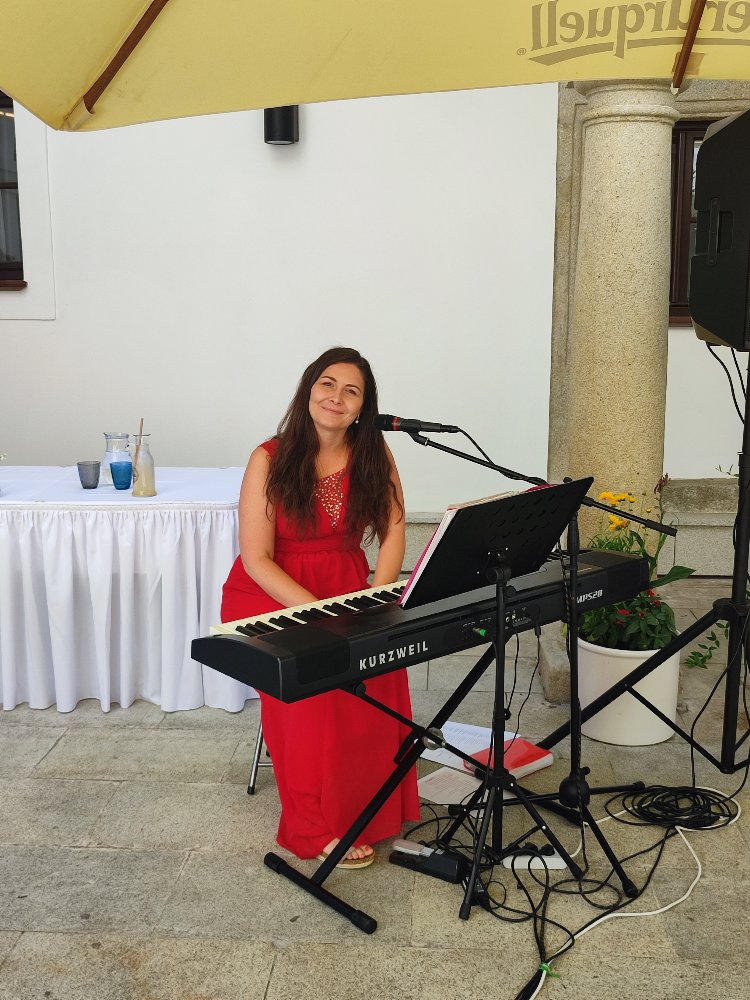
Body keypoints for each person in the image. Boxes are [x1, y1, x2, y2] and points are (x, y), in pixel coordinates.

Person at [221, 346, 420, 868]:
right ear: (309, 390)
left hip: (346, 584)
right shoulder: (269, 457)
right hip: (272, 593)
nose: (336, 397)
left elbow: (394, 530)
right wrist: (322, 615)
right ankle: (314, 823)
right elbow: (257, 559)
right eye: (327, 384)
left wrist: (377, 604)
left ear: (363, 407)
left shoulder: (374, 454)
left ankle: (368, 807)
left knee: (379, 672)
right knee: (315, 689)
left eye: (351, 391)